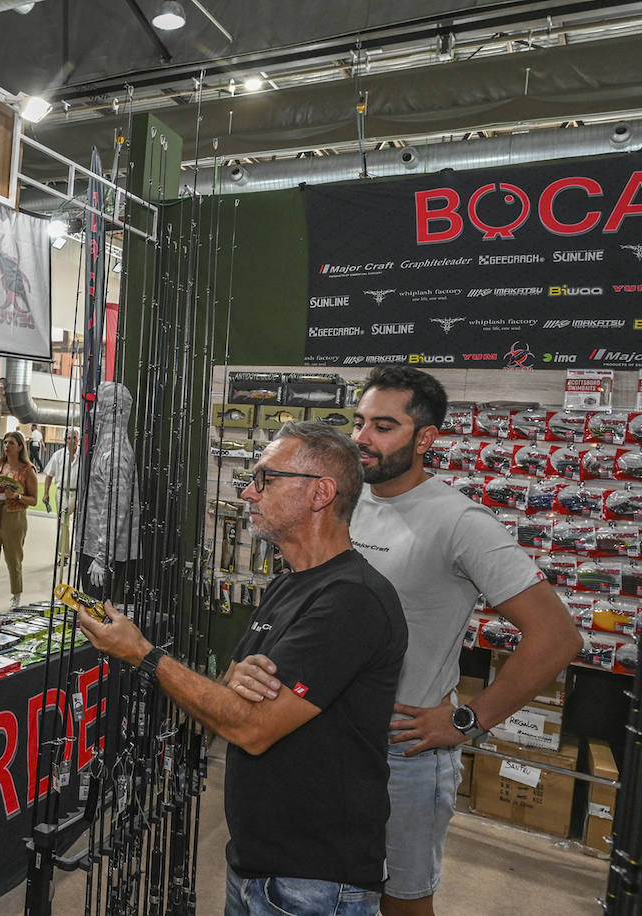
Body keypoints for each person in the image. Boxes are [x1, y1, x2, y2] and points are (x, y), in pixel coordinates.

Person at [229, 367, 581, 916]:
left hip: (403, 753)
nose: (362, 438)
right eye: (360, 422)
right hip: (317, 742)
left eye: (384, 426)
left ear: (425, 438)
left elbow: (557, 637)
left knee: (402, 902)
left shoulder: (463, 522)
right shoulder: (337, 501)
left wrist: (467, 720)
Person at [78, 421, 406, 916]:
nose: (249, 493)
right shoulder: (286, 584)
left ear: (320, 493)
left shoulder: (351, 601)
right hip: (255, 862)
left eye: (265, 479)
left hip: (313, 878)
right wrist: (232, 689)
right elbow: (230, 696)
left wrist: (141, 652)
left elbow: (248, 726)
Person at [77, 381, 140, 602]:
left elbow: (115, 507)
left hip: (101, 554)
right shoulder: (105, 447)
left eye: (99, 405)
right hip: (94, 547)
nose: (93, 413)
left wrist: (103, 557)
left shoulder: (115, 452)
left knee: (98, 617)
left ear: (113, 410)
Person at [0, 430, 38, 612]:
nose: (6, 446)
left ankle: (16, 598)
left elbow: (33, 499)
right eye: (5, 442)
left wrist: (17, 496)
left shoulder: (28, 470)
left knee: (13, 558)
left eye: (11, 443)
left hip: (15, 516)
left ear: (20, 447)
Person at [41, 429, 80, 567]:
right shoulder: (58, 455)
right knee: (63, 522)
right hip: (62, 492)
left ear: (78, 439)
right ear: (65, 440)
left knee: (82, 524)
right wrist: (46, 493)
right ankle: (63, 555)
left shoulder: (84, 455)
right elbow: (49, 475)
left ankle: (81, 553)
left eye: (74, 438)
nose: (71, 441)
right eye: (69, 438)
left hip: (79, 493)